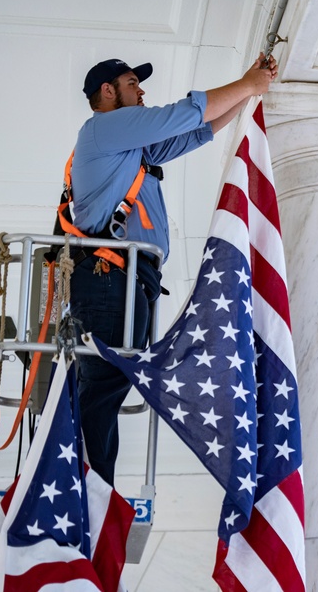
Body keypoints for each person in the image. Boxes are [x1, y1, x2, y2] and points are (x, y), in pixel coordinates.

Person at [68, 54, 278, 485]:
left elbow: (195, 132)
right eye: (131, 83)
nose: (141, 91)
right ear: (107, 93)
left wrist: (247, 94)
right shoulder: (104, 128)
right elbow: (183, 114)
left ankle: (91, 482)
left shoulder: (131, 150)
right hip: (112, 276)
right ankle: (86, 484)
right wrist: (246, 82)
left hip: (128, 280)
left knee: (109, 383)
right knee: (105, 382)